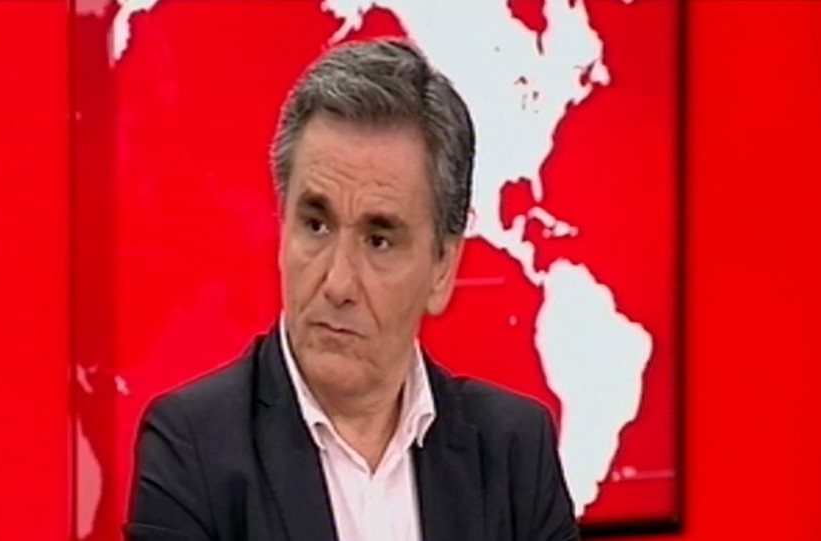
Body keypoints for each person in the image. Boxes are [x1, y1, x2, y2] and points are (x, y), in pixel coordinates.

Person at [124, 38, 578, 541]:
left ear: (443, 267)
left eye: (379, 240)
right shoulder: (192, 448)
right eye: (316, 225)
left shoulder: (515, 455)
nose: (338, 282)